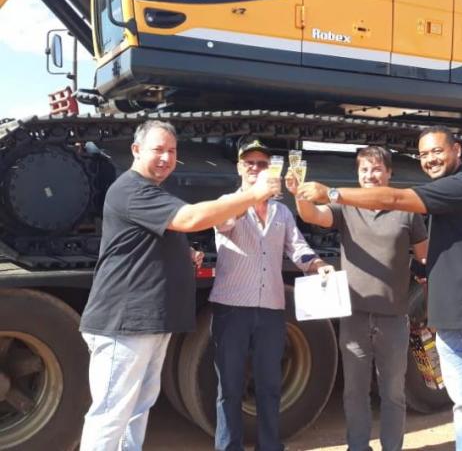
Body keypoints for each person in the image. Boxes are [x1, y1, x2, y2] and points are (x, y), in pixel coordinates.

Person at [297, 125, 462, 451]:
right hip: (449, 319)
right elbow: (429, 262)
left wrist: (331, 192)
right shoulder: (443, 195)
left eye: (437, 151)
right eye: (424, 154)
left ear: (457, 150)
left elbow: (397, 200)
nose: (430, 159)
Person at [78, 121, 280, 451]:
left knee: (137, 409)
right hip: (125, 322)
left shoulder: (151, 191)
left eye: (172, 151)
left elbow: (142, 240)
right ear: (136, 150)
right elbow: (190, 218)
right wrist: (253, 195)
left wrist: (183, 253)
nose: (166, 158)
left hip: (148, 320)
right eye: (158, 149)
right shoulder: (133, 189)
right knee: (111, 414)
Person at [285, 146, 427, 451]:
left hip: (393, 318)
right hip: (355, 316)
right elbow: (312, 215)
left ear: (389, 173)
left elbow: (425, 257)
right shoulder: (346, 205)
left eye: (376, 169)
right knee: (354, 392)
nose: (370, 175)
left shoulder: (406, 210)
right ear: (357, 174)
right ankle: (358, 447)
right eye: (364, 170)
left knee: (393, 393)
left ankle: (392, 447)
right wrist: (299, 194)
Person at [210, 138, 334, 451]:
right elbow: (223, 223)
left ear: (271, 169)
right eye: (249, 163)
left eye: (262, 163)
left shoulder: (281, 212)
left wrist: (317, 265)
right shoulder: (227, 202)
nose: (255, 168)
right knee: (229, 388)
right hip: (232, 308)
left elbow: (297, 247)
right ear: (239, 168)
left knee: (269, 385)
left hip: (271, 309)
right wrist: (253, 196)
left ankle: (270, 445)